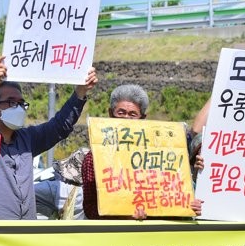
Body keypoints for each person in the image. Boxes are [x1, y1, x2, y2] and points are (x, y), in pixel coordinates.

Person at [0, 56, 97, 219]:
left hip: (28, 233)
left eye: (22, 103)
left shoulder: (27, 139)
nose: (19, 108)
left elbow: (58, 127)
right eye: (12, 102)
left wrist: (80, 92)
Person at [81, 85, 203, 220]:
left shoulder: (162, 154)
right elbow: (90, 208)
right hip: (117, 236)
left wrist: (189, 206)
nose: (126, 119)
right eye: (121, 112)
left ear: (142, 118)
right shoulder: (94, 158)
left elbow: (176, 193)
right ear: (110, 114)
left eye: (133, 114)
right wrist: (125, 218)